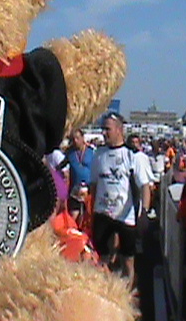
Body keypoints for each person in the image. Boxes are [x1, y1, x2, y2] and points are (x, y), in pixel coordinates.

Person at [90, 113, 150, 285]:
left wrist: (144, 212)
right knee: (102, 257)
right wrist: (92, 210)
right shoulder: (99, 155)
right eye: (103, 129)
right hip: (103, 213)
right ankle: (105, 289)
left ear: (119, 130)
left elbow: (144, 186)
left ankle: (129, 292)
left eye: (107, 129)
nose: (104, 133)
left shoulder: (133, 156)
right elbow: (95, 184)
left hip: (126, 216)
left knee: (128, 260)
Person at [63, 129, 96, 226]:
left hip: (89, 189)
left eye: (77, 138)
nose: (75, 141)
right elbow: (60, 166)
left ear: (83, 138)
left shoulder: (92, 151)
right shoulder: (69, 153)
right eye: (73, 139)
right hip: (75, 189)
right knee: (74, 216)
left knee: (87, 217)